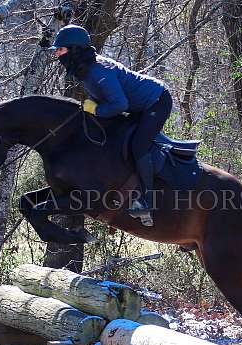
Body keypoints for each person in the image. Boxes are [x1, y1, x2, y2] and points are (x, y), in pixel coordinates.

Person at [50, 24, 172, 227]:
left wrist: (96, 110)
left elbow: (120, 104)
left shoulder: (97, 71)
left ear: (75, 50)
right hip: (138, 105)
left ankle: (147, 202)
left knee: (138, 145)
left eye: (61, 49)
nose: (57, 55)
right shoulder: (85, 69)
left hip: (157, 102)